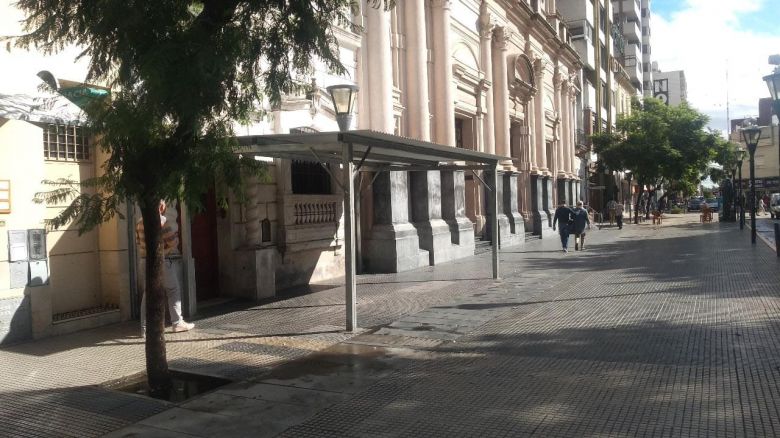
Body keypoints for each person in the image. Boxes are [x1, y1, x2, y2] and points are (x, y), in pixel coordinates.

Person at [136, 200, 195, 338]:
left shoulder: (139, 222)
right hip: (161, 260)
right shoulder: (163, 221)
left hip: (144, 260)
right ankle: (177, 322)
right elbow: (172, 242)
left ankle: (144, 328)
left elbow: (138, 241)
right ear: (161, 207)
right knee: (173, 289)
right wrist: (173, 242)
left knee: (147, 293)